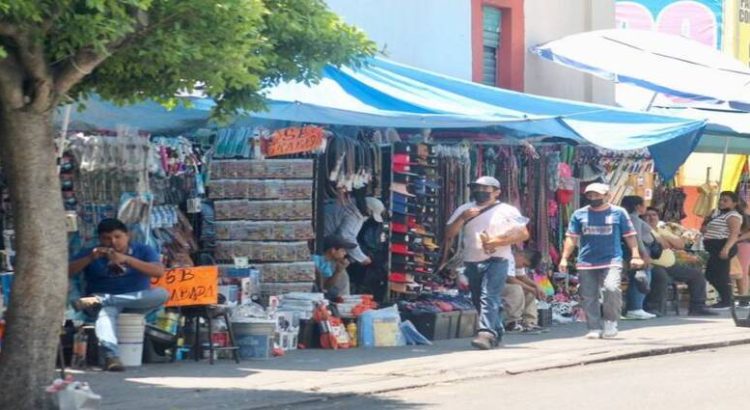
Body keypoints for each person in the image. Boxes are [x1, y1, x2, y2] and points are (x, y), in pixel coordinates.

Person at [68, 218, 167, 371]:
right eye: (107, 238)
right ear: (100, 240)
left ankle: (103, 300)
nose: (113, 242)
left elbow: (158, 272)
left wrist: (127, 259)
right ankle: (111, 357)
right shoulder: (91, 253)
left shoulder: (143, 250)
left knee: (162, 294)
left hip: (133, 302)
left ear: (127, 236)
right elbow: (67, 272)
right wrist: (90, 258)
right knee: (106, 313)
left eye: (117, 237)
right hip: (101, 304)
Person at [445, 176, 529, 350]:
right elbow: (448, 234)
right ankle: (496, 329)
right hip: (471, 260)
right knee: (477, 298)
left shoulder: (508, 210)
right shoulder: (465, 209)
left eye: (485, 189)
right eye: (477, 188)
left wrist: (497, 242)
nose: (480, 192)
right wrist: (462, 218)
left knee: (488, 295)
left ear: (497, 192)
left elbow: (523, 234)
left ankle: (485, 333)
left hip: (498, 259)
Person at [560, 183, 644, 340]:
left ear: (608, 196)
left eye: (597, 195)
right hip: (586, 260)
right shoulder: (579, 214)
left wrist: (635, 254)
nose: (594, 198)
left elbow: (629, 235)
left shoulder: (619, 213)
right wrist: (564, 258)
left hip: (612, 258)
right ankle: (594, 327)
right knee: (588, 295)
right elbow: (571, 237)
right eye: (590, 195)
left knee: (611, 288)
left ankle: (611, 321)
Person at [642, 207, 716, 316]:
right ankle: (654, 308)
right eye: (647, 215)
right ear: (643, 218)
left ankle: (697, 307)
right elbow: (664, 245)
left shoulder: (662, 229)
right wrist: (668, 241)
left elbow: (681, 244)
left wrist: (665, 238)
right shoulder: (644, 229)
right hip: (653, 265)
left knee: (696, 275)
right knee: (661, 277)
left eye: (654, 215)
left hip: (671, 265)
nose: (651, 217)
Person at [701, 191, 744, 309]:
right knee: (712, 274)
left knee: (719, 274)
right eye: (721, 200)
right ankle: (726, 299)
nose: (722, 202)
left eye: (726, 200)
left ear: (734, 203)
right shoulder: (718, 214)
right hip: (715, 248)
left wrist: (726, 249)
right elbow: (704, 229)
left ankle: (727, 300)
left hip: (723, 246)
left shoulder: (733, 215)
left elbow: (734, 234)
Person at [620, 195, 659, 320]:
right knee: (640, 278)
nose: (645, 208)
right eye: (644, 204)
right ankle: (635, 308)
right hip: (639, 252)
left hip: (637, 251)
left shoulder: (632, 218)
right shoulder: (633, 219)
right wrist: (643, 254)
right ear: (638, 206)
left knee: (640, 278)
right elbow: (636, 237)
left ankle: (637, 307)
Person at [503, 249, 547, 333]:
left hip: (504, 286)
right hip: (494, 286)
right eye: (523, 264)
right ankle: (512, 322)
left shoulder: (517, 261)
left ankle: (529, 322)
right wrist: (532, 289)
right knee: (516, 288)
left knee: (529, 292)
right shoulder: (509, 258)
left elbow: (522, 277)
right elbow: (510, 279)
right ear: (521, 256)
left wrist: (537, 286)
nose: (522, 267)